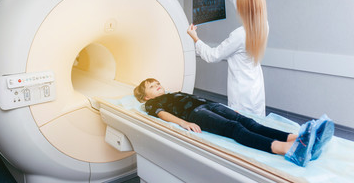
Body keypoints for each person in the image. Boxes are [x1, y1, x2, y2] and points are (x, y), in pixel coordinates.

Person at [134, 78, 335, 167]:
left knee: (248, 121)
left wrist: (228, 109)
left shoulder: (173, 93)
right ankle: (288, 149)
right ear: (145, 97)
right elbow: (162, 114)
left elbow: (202, 99)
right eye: (152, 86)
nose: (158, 86)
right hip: (195, 114)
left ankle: (299, 138)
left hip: (209, 106)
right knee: (234, 128)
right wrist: (183, 123)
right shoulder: (151, 105)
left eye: (158, 83)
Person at [187, 0, 268, 117]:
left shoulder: (239, 35)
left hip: (241, 95)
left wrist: (195, 38)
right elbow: (246, 7)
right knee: (257, 125)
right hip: (255, 89)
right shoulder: (263, 26)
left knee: (243, 127)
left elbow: (212, 56)